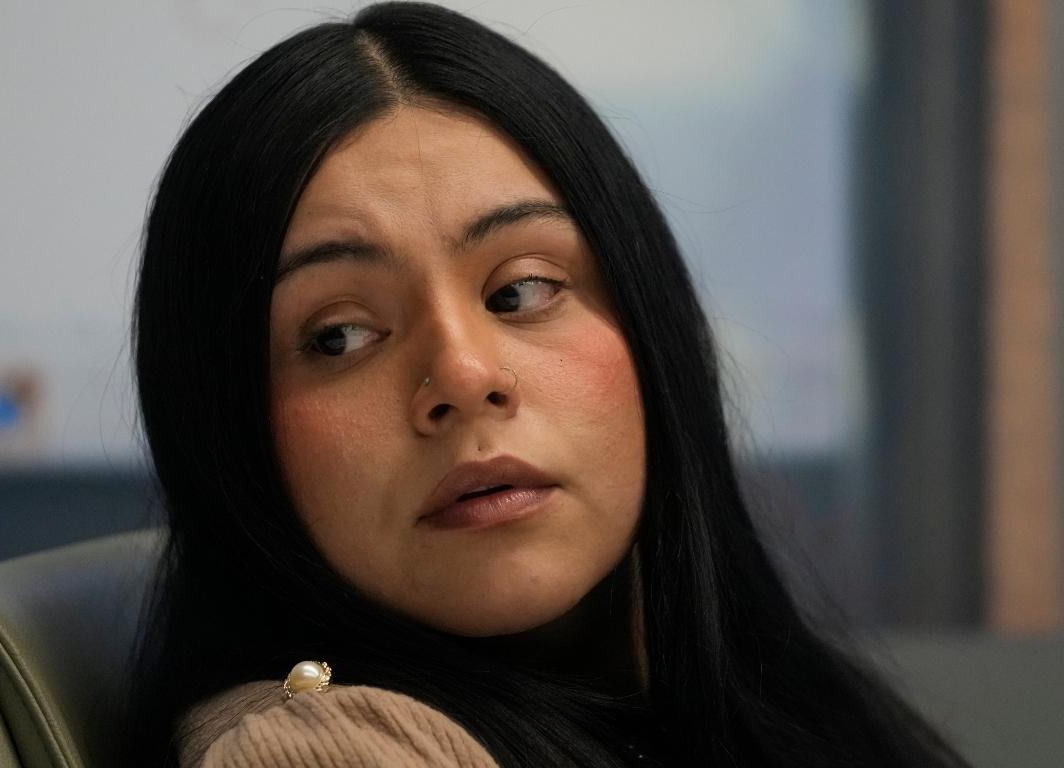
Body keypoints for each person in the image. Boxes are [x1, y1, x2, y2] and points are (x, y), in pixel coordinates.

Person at [126, 3, 969, 766]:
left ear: (651, 324)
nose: (462, 375)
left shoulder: (732, 696)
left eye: (520, 291)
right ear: (222, 429)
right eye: (339, 336)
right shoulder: (323, 748)